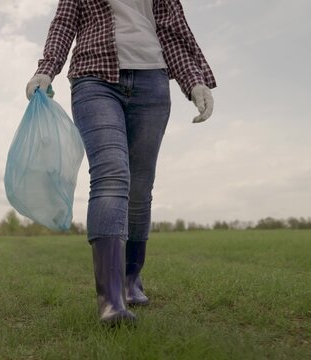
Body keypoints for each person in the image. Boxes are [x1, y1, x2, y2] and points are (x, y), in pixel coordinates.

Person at [26, 0, 215, 326]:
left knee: (140, 188)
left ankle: (130, 279)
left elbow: (172, 32)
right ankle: (111, 300)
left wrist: (194, 80)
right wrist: (46, 69)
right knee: (111, 175)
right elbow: (64, 23)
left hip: (152, 81)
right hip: (94, 77)